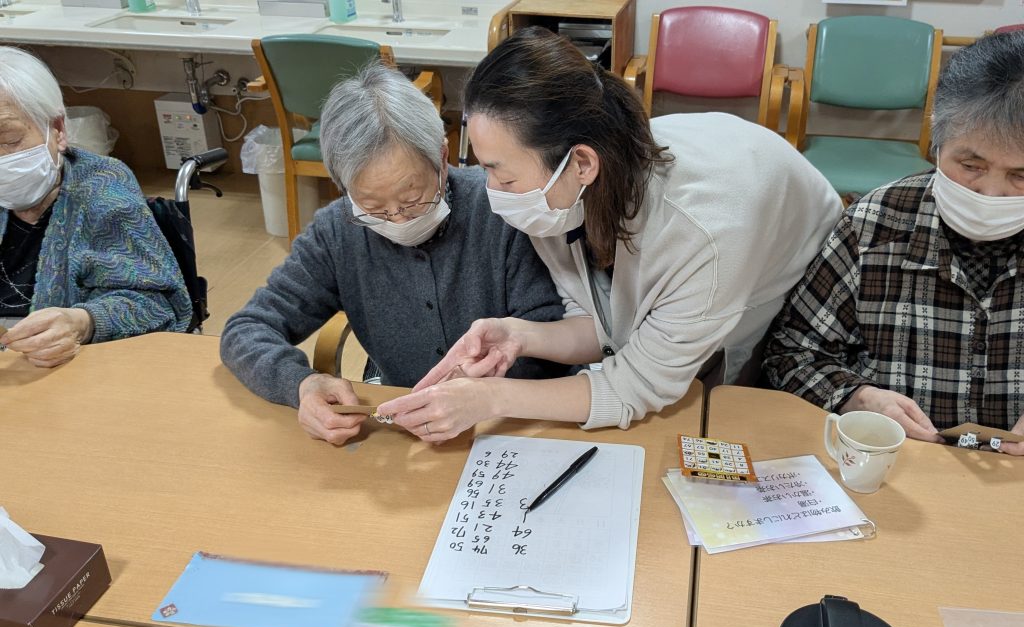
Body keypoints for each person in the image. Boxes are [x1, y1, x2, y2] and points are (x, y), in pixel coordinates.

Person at [376, 27, 843, 442]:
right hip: (725, 206)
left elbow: (640, 385)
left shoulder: (703, 235)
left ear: (581, 163)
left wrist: (491, 399)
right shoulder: (560, 194)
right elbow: (599, 325)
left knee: (738, 410)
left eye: (504, 177)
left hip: (799, 263)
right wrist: (517, 335)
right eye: (482, 167)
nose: (492, 193)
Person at [220, 63, 567, 446]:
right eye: (373, 206)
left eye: (412, 198)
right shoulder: (338, 231)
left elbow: (552, 343)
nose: (397, 218)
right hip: (408, 439)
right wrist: (301, 384)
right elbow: (246, 329)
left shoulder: (502, 211)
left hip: (514, 430)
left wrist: (482, 393)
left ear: (442, 158)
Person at [763, 31, 1024, 454]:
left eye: (1021, 176)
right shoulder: (875, 226)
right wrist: (858, 398)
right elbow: (791, 352)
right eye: (971, 165)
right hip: (894, 467)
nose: (989, 194)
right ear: (937, 144)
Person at [0, 47, 191, 367]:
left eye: (9, 138)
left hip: (82, 369)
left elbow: (158, 306)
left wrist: (83, 322)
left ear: (57, 130)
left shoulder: (103, 193)